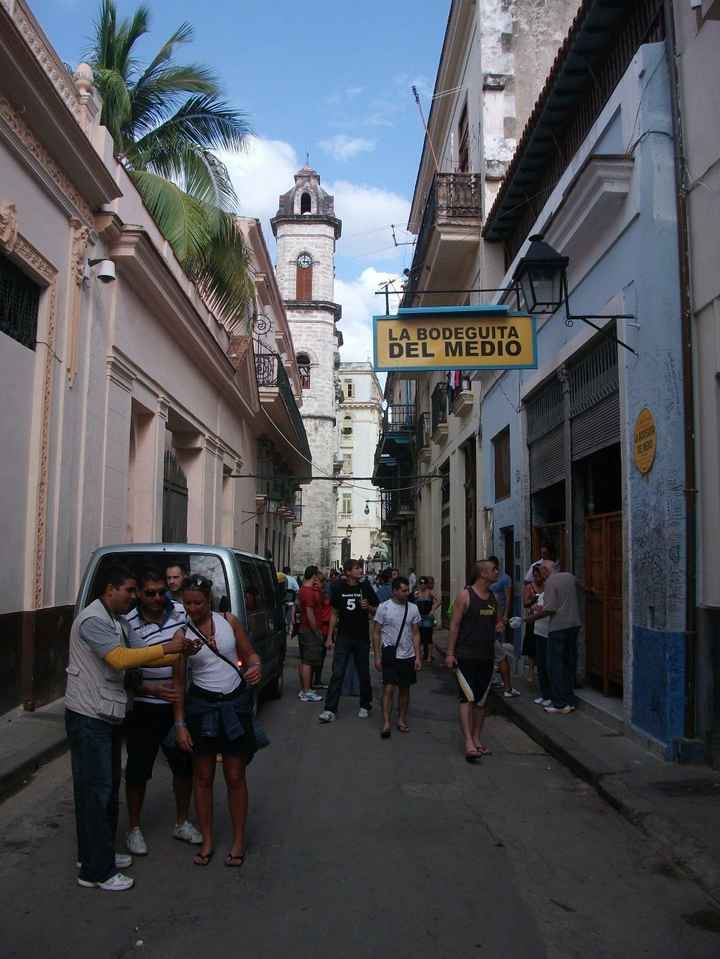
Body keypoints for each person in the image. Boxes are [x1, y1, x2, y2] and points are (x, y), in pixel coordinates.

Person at [65, 566, 197, 891]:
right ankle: (98, 872)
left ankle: (98, 855)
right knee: (96, 793)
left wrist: (178, 653)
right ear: (110, 589)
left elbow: (141, 658)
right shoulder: (93, 620)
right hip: (89, 716)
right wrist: (168, 649)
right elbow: (121, 659)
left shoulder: (117, 620)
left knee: (104, 790)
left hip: (106, 715)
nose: (135, 598)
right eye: (130, 591)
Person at [173, 574, 262, 867]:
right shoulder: (181, 634)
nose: (193, 608)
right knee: (203, 777)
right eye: (187, 603)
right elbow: (179, 683)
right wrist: (181, 724)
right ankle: (208, 839)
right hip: (202, 707)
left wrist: (255, 667)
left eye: (198, 602)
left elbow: (250, 654)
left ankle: (238, 840)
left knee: (235, 776)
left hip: (233, 705)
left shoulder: (228, 621)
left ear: (208, 599)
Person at [123, 568, 201, 856]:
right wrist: (150, 691)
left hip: (177, 706)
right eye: (150, 593)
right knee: (137, 770)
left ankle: (181, 821)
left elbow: (192, 649)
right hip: (143, 707)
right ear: (139, 594)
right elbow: (125, 672)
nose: (158, 598)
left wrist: (192, 651)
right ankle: (133, 828)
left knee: (183, 766)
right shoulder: (126, 623)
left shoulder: (181, 614)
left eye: (161, 592)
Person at [445, 560, 503, 762]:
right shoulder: (465, 595)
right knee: (466, 698)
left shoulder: (493, 597)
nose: (497, 572)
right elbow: (454, 625)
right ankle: (468, 741)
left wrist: (500, 625)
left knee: (481, 701)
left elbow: (497, 620)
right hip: (466, 656)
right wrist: (450, 653)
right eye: (494, 570)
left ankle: (477, 738)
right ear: (483, 574)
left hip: (486, 656)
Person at [318, 558, 379, 723]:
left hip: (361, 637)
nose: (360, 570)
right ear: (348, 572)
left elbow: (377, 611)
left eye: (360, 568)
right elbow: (334, 613)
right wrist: (330, 637)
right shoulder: (338, 588)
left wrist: (370, 608)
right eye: (357, 568)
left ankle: (365, 704)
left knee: (363, 672)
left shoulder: (365, 587)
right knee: (337, 673)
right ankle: (330, 709)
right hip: (344, 636)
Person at [372, 576, 422, 737]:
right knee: (388, 689)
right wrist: (377, 656)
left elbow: (415, 633)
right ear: (394, 591)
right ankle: (386, 722)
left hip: (408, 655)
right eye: (403, 590)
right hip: (390, 653)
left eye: (408, 590)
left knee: (405, 689)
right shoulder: (383, 608)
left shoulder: (413, 608)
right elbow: (376, 633)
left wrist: (418, 656)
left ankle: (401, 719)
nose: (407, 593)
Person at [533, 561, 581, 714]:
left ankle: (559, 703)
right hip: (574, 625)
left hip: (558, 627)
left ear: (547, 571)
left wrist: (530, 618)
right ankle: (570, 700)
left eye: (541, 572)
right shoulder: (570, 576)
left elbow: (550, 609)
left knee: (554, 665)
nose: (541, 575)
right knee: (568, 663)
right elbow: (581, 587)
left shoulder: (550, 582)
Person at [488, 556, 520, 699]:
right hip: (489, 620)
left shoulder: (504, 579)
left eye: (493, 568)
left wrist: (505, 616)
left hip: (498, 616)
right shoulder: (488, 581)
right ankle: (498, 682)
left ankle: (501, 683)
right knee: (497, 653)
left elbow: (508, 597)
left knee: (499, 650)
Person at [296, 566, 324, 703]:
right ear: (314, 575)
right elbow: (310, 613)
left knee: (304, 660)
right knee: (308, 661)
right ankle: (306, 691)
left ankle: (305, 689)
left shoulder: (303, 590)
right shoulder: (308, 592)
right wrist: (316, 631)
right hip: (309, 630)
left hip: (304, 629)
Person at [521, 565, 543, 687]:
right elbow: (525, 603)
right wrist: (533, 599)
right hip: (533, 619)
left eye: (538, 575)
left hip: (544, 619)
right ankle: (530, 671)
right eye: (535, 576)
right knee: (531, 646)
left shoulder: (547, 586)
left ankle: (541, 671)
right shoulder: (529, 587)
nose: (537, 578)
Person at [415, 577, 439, 665]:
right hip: (419, 617)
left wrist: (433, 610)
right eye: (421, 584)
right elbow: (412, 601)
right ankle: (420, 655)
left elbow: (438, 600)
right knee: (419, 637)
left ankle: (429, 656)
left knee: (428, 637)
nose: (422, 585)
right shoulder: (417, 592)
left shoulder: (429, 592)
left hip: (427, 617)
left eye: (424, 583)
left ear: (426, 584)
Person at [313, 573, 332, 688]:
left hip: (324, 627)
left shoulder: (323, 594)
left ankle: (317, 680)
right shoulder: (318, 594)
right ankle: (315, 680)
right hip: (321, 627)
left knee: (320, 655)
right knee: (318, 656)